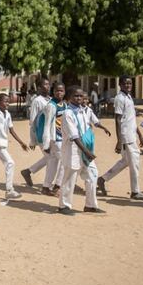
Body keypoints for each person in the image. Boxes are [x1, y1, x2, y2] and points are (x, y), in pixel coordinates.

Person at [97, 76, 143, 201]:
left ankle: (102, 179)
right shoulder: (120, 98)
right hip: (126, 136)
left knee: (125, 162)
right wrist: (119, 140)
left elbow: (130, 119)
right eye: (125, 83)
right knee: (134, 163)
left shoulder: (128, 97)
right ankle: (135, 192)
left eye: (130, 83)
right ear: (120, 84)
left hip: (132, 134)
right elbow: (118, 119)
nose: (128, 85)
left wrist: (140, 135)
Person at [56, 86, 101, 214]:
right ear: (69, 98)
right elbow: (74, 136)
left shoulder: (84, 111)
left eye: (81, 96)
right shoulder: (67, 113)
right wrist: (86, 151)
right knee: (70, 177)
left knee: (92, 174)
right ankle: (64, 206)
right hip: (73, 150)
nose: (79, 98)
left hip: (85, 149)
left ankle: (90, 205)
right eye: (76, 96)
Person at [37, 83, 67, 196]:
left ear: (64, 92)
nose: (59, 93)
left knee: (53, 163)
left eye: (61, 91)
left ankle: (46, 187)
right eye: (57, 91)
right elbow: (47, 125)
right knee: (65, 162)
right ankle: (57, 186)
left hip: (62, 139)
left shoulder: (64, 105)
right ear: (53, 92)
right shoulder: (51, 105)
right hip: (55, 140)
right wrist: (46, 144)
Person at [21, 77, 50, 188]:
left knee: (51, 158)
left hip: (50, 134)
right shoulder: (37, 101)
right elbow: (32, 121)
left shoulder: (49, 99)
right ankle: (47, 186)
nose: (48, 86)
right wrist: (32, 140)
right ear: (39, 87)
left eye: (48, 84)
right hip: (41, 134)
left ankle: (28, 171)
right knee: (52, 159)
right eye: (45, 84)